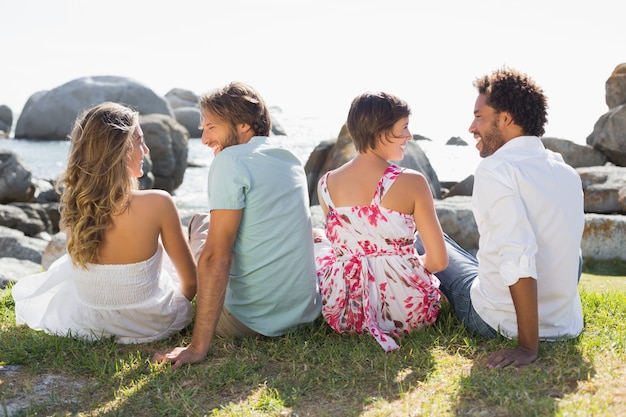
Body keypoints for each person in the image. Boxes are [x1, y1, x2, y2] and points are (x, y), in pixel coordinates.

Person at [416, 67, 585, 368]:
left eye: (479, 116)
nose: (471, 127)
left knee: (419, 235)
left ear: (505, 119)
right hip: (565, 323)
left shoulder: (496, 169)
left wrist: (527, 347)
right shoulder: (567, 172)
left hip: (496, 319)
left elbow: (518, 255)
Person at [152, 82, 321, 369]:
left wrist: (197, 347)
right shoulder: (288, 159)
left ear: (243, 126)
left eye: (211, 127)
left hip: (251, 321)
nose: (204, 139)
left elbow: (218, 256)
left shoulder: (230, 161)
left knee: (198, 225)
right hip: (303, 313)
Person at [12, 102, 197, 343]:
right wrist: (175, 309)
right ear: (118, 150)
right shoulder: (159, 202)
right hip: (153, 323)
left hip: (91, 322)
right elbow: (191, 282)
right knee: (195, 243)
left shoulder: (76, 203)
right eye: (139, 141)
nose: (147, 150)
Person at [313, 91, 448, 351]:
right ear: (380, 133)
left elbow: (349, 245)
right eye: (404, 128)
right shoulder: (413, 182)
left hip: (347, 312)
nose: (409, 136)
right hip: (409, 312)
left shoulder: (325, 184)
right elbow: (439, 261)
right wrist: (400, 261)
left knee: (321, 245)